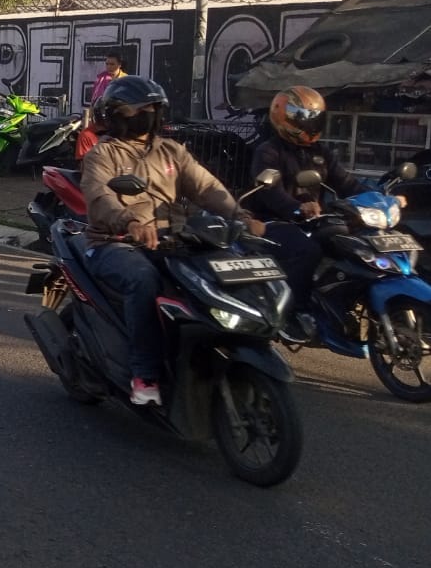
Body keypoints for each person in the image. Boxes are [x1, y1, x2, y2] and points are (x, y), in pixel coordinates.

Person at [82, 75, 264, 407]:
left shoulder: (171, 151)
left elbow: (207, 187)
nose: (149, 115)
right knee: (143, 280)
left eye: (153, 109)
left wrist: (240, 215)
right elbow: (99, 197)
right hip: (114, 242)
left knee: (216, 271)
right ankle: (145, 375)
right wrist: (130, 221)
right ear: (118, 114)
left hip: (170, 239)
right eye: (141, 109)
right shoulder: (103, 154)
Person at [246, 85, 401, 324]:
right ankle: (295, 312)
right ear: (284, 117)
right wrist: (297, 208)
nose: (310, 124)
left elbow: (347, 183)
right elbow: (271, 193)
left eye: (315, 118)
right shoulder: (268, 151)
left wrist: (385, 199)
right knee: (307, 251)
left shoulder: (321, 152)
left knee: (356, 245)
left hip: (314, 221)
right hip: (274, 221)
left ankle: (344, 303)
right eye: (304, 118)